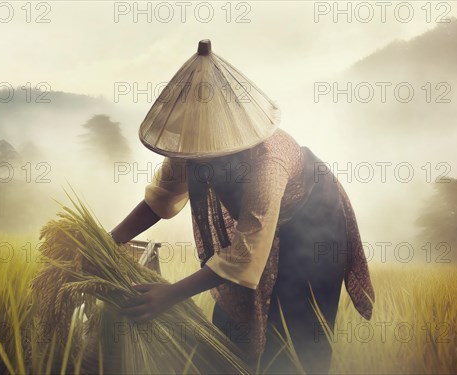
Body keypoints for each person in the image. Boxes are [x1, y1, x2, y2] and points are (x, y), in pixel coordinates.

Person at [111, 40, 375, 374]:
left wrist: (171, 294)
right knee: (233, 325)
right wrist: (111, 239)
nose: (197, 159)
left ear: (229, 139)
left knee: (297, 328)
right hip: (262, 228)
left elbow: (246, 257)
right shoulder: (191, 146)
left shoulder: (268, 162)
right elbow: (159, 200)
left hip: (314, 221)